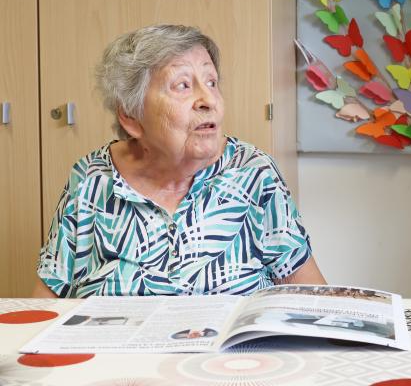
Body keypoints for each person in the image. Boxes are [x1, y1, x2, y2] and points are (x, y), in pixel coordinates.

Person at [34, 24, 325, 297]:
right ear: (131, 116)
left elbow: (313, 302)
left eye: (211, 82)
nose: (208, 100)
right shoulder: (91, 180)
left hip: (233, 352)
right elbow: (45, 309)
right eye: (183, 86)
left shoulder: (254, 173)